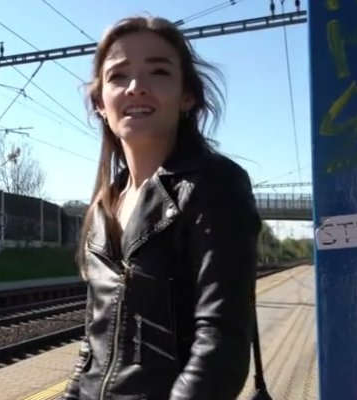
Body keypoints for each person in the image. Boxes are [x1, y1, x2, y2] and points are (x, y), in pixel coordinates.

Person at [63, 16, 261, 400]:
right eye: (118, 76)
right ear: (100, 102)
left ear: (187, 96)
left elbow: (220, 344)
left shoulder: (214, 185)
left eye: (158, 72)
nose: (136, 87)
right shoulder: (105, 205)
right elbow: (91, 349)